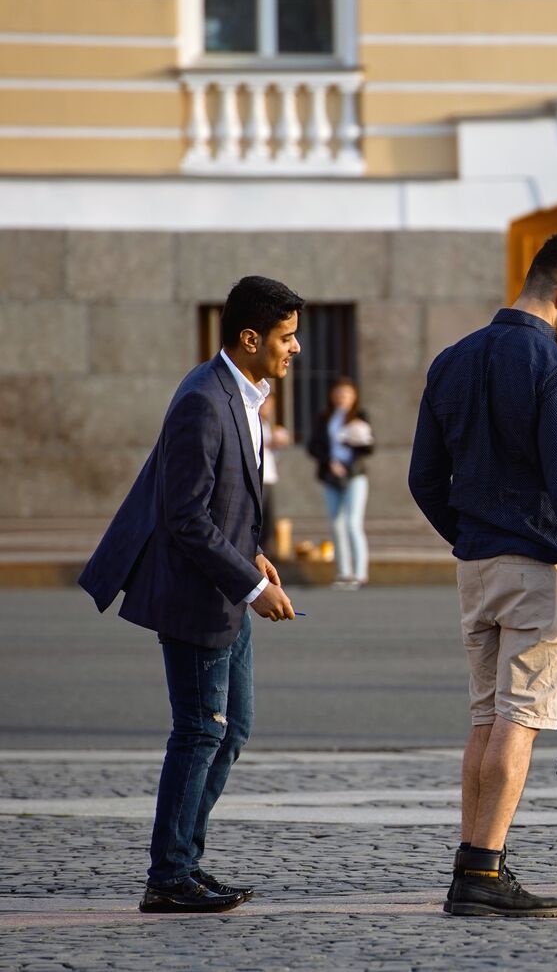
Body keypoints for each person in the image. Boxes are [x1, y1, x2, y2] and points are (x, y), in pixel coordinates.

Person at [408, 233, 557, 919]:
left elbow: (422, 480)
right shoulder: (555, 366)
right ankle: (485, 869)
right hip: (540, 568)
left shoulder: (451, 359)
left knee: (485, 718)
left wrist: (473, 538)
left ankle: (471, 862)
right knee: (519, 720)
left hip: (476, 566)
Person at [78, 276, 301, 914]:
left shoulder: (242, 392)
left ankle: (184, 864)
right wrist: (253, 584)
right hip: (200, 595)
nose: (295, 350)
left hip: (227, 586)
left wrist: (252, 554)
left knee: (230, 732)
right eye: (286, 338)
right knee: (201, 731)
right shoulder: (205, 398)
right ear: (250, 338)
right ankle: (170, 875)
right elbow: (185, 517)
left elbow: (222, 506)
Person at [308, 377, 373, 589]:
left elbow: (369, 448)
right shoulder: (325, 418)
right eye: (338, 394)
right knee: (336, 523)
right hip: (331, 476)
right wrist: (330, 462)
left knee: (353, 522)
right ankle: (344, 572)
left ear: (353, 396)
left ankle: (360, 573)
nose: (342, 398)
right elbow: (313, 446)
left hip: (355, 475)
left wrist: (356, 439)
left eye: (346, 394)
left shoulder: (360, 417)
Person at [258, 393, 291, 544]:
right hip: (259, 477)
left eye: (270, 405)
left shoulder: (267, 424)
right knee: (258, 519)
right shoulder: (253, 421)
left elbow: (272, 454)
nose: (267, 408)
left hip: (269, 476)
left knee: (267, 520)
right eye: (265, 404)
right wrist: (270, 444)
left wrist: (277, 445)